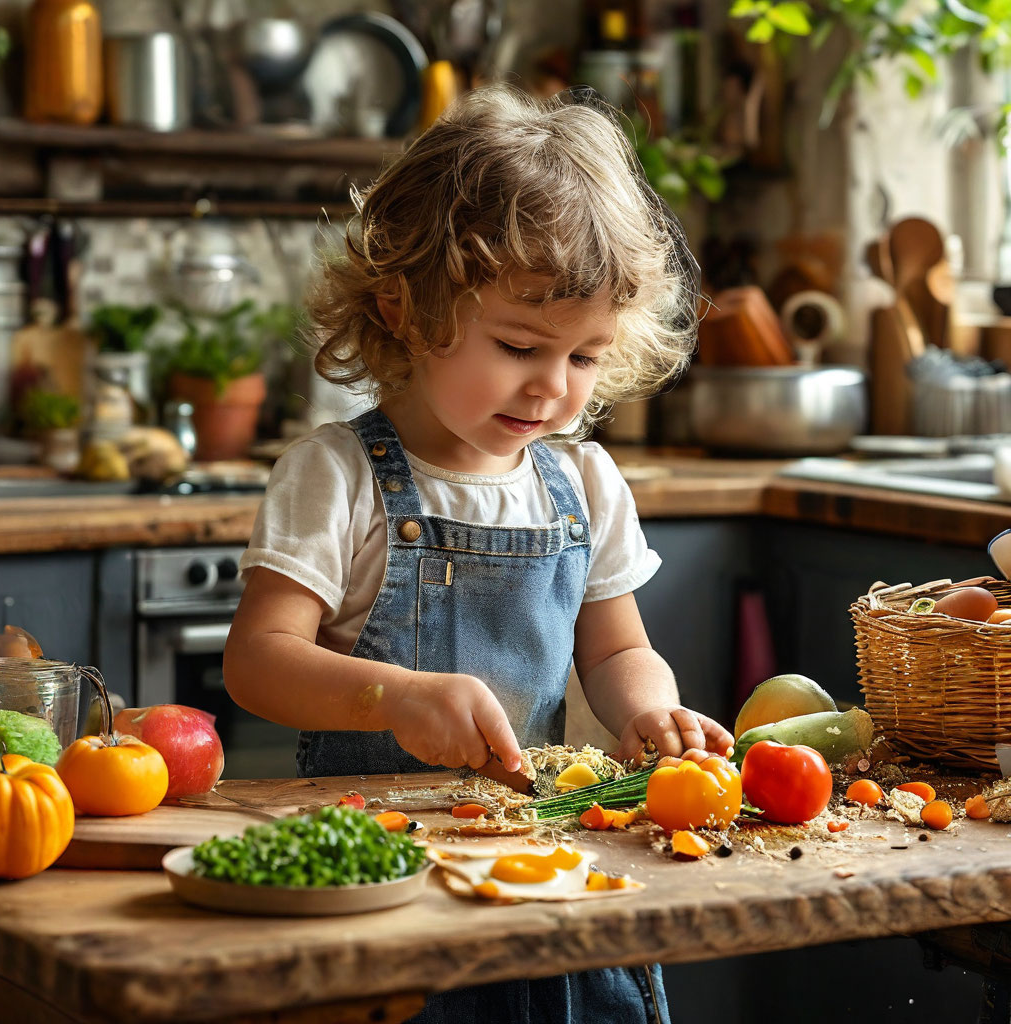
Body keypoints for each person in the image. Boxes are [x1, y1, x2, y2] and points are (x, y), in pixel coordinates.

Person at [224, 84, 733, 1024]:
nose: (553, 386)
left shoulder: (584, 485)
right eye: (519, 345)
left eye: (584, 357)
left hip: (531, 870)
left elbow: (617, 651)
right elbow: (258, 659)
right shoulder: (338, 476)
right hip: (378, 889)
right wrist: (397, 696)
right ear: (405, 309)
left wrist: (654, 716)